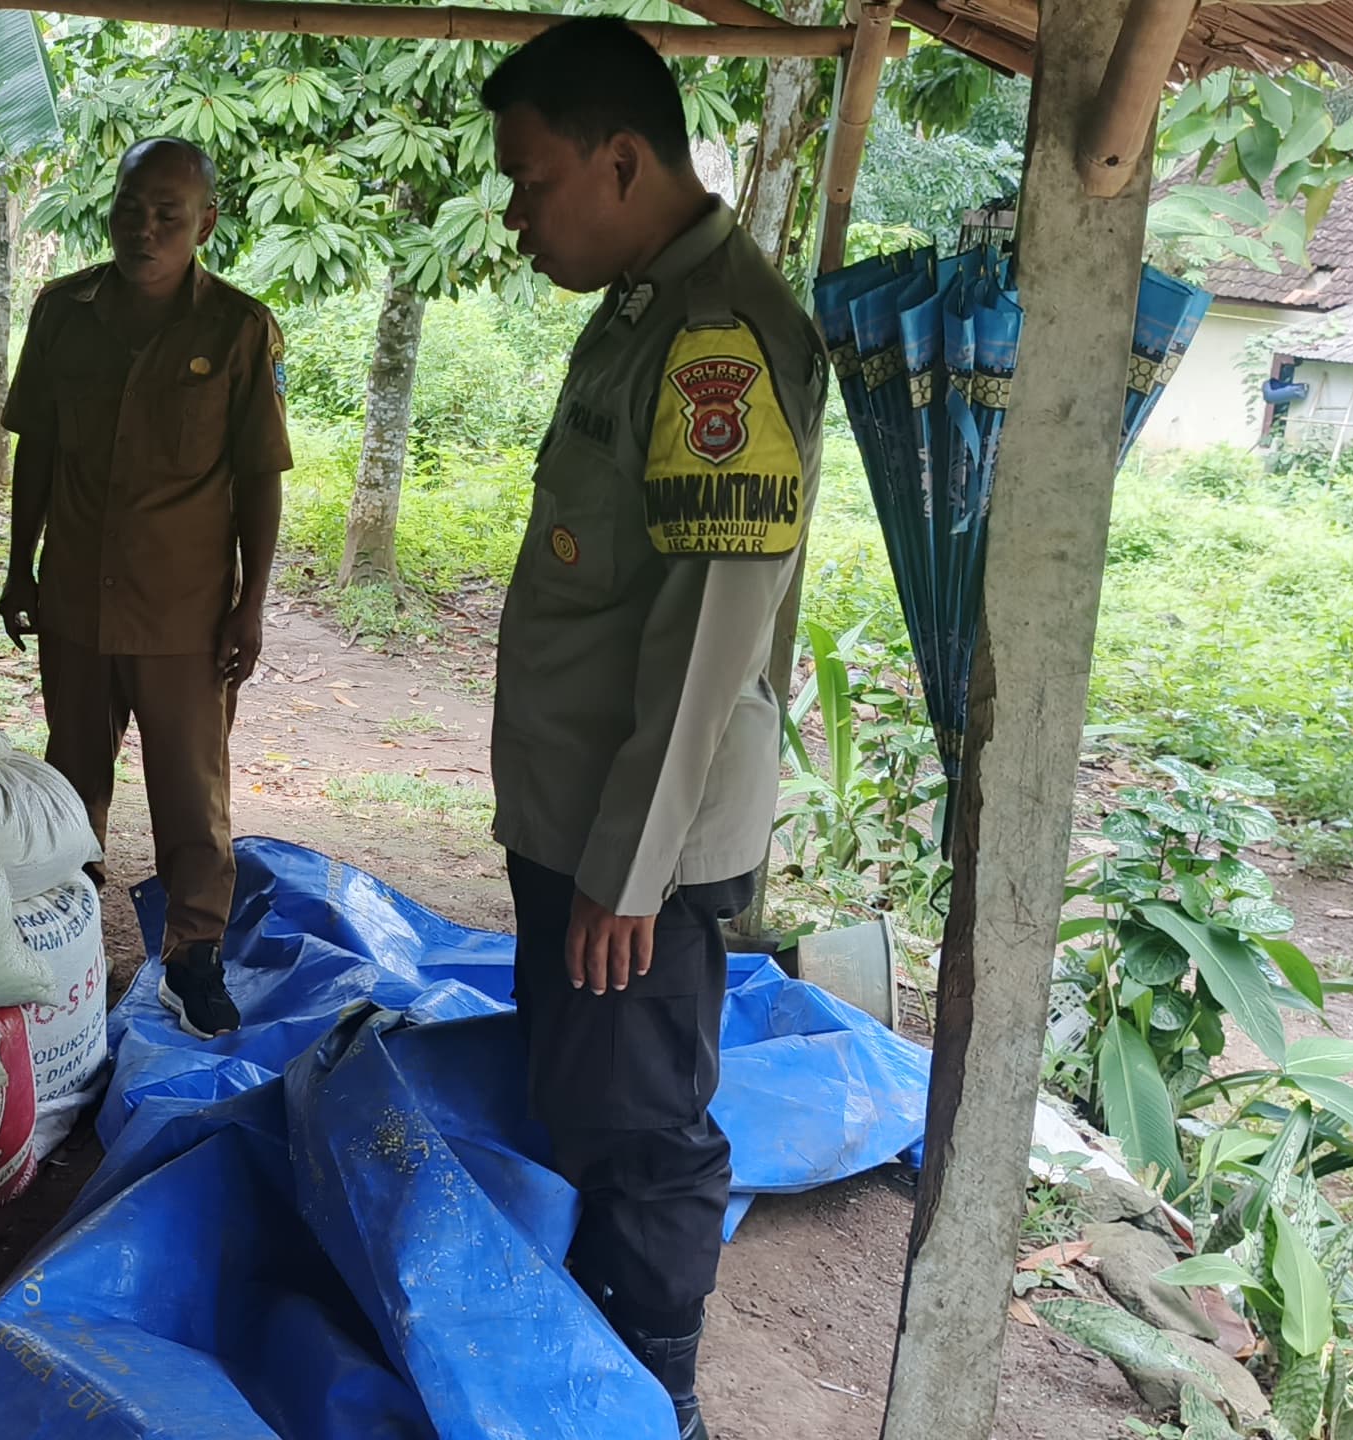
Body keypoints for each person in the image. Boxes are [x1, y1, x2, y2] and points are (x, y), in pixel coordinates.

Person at [480, 18, 831, 1439]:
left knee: (641, 1133)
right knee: (583, 1097)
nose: (517, 217)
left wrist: (627, 873)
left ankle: (652, 1401)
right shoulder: (645, 308)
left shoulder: (714, 341)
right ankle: (589, 1375)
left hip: (639, 850)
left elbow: (704, 641)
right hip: (581, 819)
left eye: (532, 181)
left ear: (620, 162)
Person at [0, 137, 296, 1038]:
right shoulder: (63, 312)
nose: (146, 228)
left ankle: (193, 957)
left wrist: (250, 604)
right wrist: (19, 566)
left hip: (185, 613)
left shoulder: (239, 330)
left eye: (170, 213)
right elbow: (37, 450)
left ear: (205, 223)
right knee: (70, 780)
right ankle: (70, 946)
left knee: (191, 795)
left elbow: (260, 478)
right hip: (76, 601)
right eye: (131, 208)